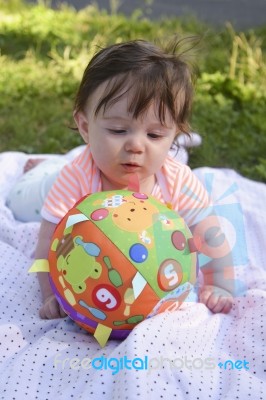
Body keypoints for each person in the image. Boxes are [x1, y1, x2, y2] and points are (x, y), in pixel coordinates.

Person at [28, 39, 234, 319]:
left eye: (155, 135)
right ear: (86, 127)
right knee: (26, 198)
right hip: (62, 177)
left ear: (174, 134)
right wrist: (52, 293)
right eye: (118, 129)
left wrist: (220, 284)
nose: (136, 145)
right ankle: (39, 167)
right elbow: (47, 245)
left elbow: (211, 235)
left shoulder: (175, 180)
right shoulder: (76, 179)